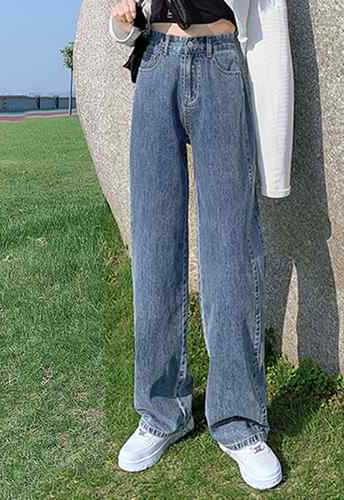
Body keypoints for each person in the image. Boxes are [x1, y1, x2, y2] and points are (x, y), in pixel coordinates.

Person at [108, 0, 294, 491]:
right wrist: (121, 17)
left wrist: (276, 165)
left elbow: (270, 23)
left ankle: (239, 421)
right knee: (153, 250)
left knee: (231, 253)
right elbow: (127, 16)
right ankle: (161, 412)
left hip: (222, 63)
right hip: (156, 64)